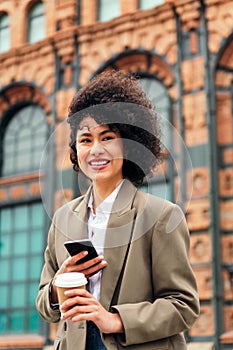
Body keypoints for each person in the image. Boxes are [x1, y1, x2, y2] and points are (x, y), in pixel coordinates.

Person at [36, 70, 200, 350]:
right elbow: (45, 306)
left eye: (108, 137)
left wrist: (115, 320)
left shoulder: (161, 216)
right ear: (76, 149)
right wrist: (56, 287)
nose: (96, 149)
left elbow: (183, 305)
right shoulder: (62, 218)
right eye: (86, 140)